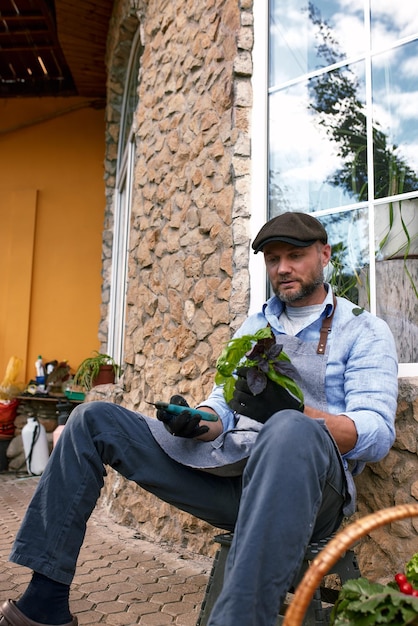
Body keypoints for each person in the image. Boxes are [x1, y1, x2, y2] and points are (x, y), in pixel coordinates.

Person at [0, 212, 398, 626]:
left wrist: (296, 413)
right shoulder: (255, 325)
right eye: (272, 258)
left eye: (295, 256)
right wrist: (194, 420)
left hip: (314, 494)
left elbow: (376, 433)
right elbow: (222, 410)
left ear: (325, 255)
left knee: (288, 429)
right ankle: (44, 601)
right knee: (91, 419)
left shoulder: (364, 330)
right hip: (233, 480)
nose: (282, 268)